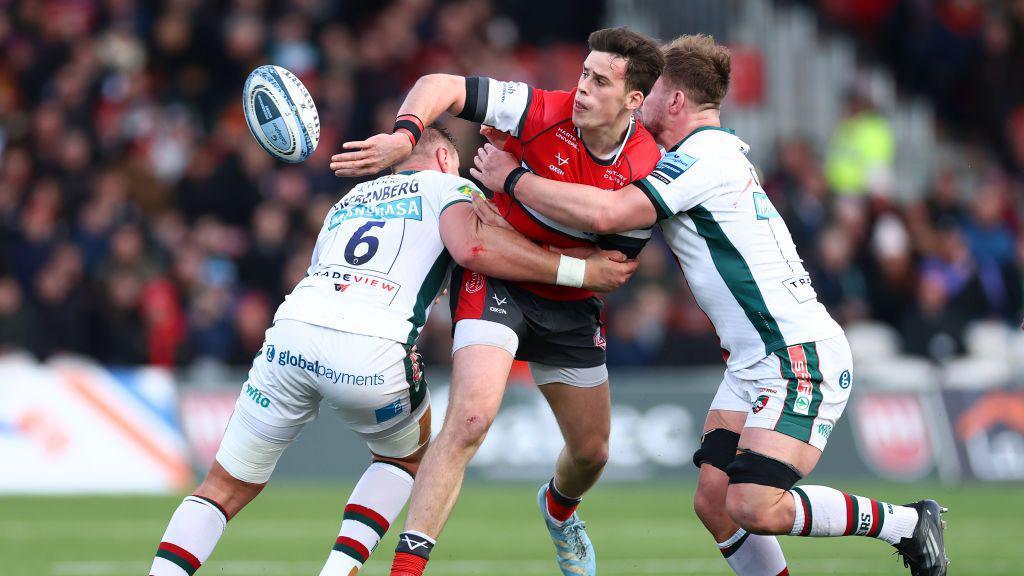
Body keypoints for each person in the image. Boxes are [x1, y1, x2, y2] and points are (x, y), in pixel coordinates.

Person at [471, 35, 949, 576]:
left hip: (796, 353)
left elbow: (608, 214)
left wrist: (512, 179)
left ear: (673, 101)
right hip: (753, 361)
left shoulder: (703, 158)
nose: (639, 102)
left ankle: (908, 525)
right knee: (715, 504)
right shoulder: (698, 157)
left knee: (753, 504)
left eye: (649, 93)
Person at [145, 126, 635, 576]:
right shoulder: (453, 189)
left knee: (222, 487)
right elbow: (473, 249)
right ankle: (338, 571)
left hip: (291, 335)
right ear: (445, 156)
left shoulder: (348, 200)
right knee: (411, 460)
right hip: (371, 346)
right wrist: (581, 272)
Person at [330, 26, 664, 576]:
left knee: (592, 453)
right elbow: (441, 83)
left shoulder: (648, 163)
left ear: (633, 101)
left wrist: (515, 180)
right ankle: (407, 569)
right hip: (500, 281)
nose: (581, 89)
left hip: (572, 305)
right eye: (584, 73)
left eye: (600, 81)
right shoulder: (540, 109)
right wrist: (405, 134)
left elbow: (611, 237)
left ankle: (559, 511)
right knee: (470, 420)